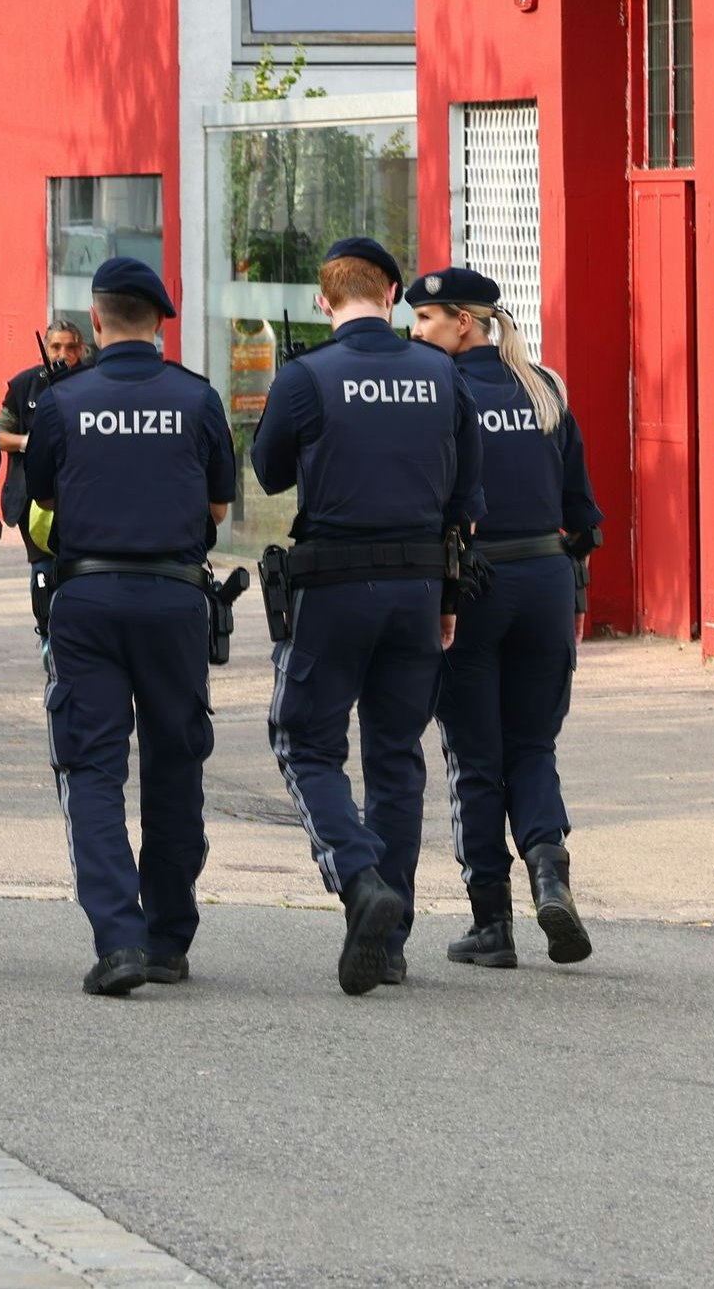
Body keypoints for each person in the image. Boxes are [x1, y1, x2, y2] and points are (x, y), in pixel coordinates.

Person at [248, 235, 480, 997]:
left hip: (333, 587)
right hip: (419, 589)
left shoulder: (307, 375)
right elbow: (464, 503)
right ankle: (391, 943)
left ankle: (358, 879)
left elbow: (269, 473)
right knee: (396, 757)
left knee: (304, 742)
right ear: (391, 296)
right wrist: (448, 600)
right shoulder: (443, 375)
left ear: (325, 301)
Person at [17, 258, 234, 997]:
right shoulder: (198, 399)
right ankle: (168, 941)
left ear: (97, 321)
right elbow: (218, 509)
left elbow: (43, 497)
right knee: (175, 764)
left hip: (88, 599)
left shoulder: (62, 399)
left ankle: (119, 941)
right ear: (160, 322)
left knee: (92, 768)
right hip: (175, 600)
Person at [408, 268, 601, 969]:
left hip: (474, 584)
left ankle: (493, 924)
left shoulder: (440, 392)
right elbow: (583, 513)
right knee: (533, 746)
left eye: (426, 319)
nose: (415, 331)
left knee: (475, 759)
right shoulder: (543, 388)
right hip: (546, 581)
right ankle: (550, 873)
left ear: (463, 322)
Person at [0, 320, 89, 530]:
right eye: (56, 347)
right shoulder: (24, 384)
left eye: (71, 347)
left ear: (81, 350)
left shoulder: (93, 382)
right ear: (44, 350)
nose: (63, 354)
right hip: (31, 496)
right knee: (40, 553)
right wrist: (30, 442)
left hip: (81, 490)